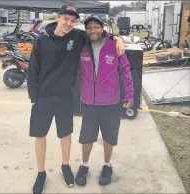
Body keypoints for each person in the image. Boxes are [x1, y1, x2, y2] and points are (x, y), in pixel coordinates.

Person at [27, 4, 125, 193]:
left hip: (65, 96)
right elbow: (33, 70)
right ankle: (41, 173)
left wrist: (117, 38)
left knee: (65, 134)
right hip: (43, 97)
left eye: (73, 21)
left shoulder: (77, 36)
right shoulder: (41, 40)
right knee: (40, 135)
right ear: (58, 17)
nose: (69, 23)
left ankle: (65, 166)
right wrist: (34, 96)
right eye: (66, 19)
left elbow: (98, 33)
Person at [75, 15, 134, 186]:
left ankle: (107, 165)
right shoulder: (81, 46)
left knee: (109, 136)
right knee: (87, 136)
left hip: (111, 102)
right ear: (86, 30)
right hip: (89, 102)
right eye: (89, 28)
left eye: (96, 27)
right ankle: (84, 165)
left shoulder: (114, 46)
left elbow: (126, 71)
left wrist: (129, 95)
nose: (93, 31)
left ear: (103, 28)